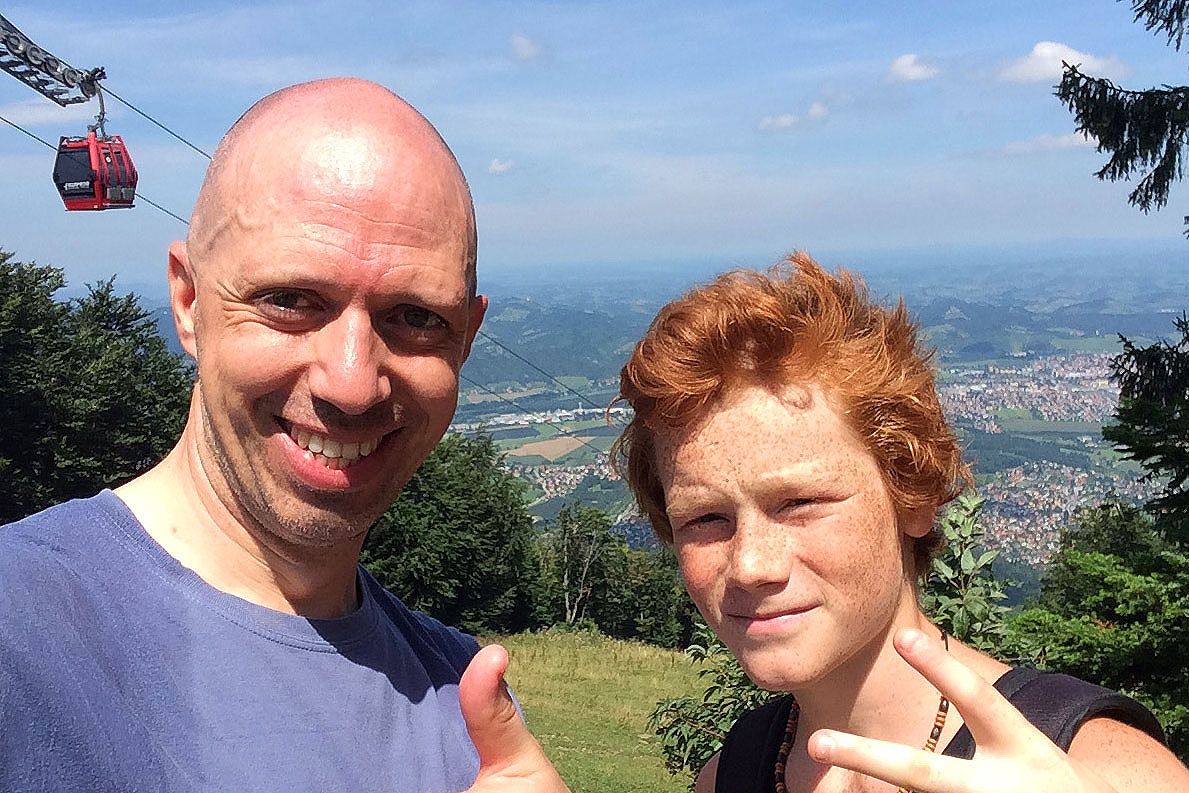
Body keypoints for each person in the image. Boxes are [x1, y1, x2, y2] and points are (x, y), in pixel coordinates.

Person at [0, 78, 566, 793]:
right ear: (188, 301)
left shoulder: (468, 707)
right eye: (291, 300)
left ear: (465, 340)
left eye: (416, 318)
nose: (353, 382)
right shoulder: (18, 630)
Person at [613, 252, 1189, 793]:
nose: (752, 565)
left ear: (912, 497)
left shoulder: (1098, 767)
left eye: (800, 503)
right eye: (706, 518)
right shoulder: (734, 773)